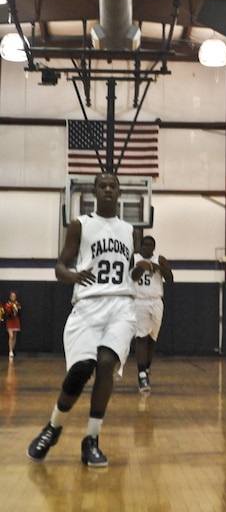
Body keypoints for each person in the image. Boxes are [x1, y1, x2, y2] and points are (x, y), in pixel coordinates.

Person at [27, 172, 137, 468]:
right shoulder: (81, 224)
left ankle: (91, 439)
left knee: (104, 364)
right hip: (87, 305)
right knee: (81, 370)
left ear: (119, 192)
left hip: (121, 306)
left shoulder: (129, 230)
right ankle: (53, 427)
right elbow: (60, 266)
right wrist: (72, 275)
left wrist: (147, 270)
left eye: (113, 186)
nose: (108, 190)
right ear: (94, 191)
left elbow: (129, 272)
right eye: (103, 185)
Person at [132, 235, 173, 393]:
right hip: (139, 301)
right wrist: (141, 268)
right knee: (141, 337)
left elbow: (170, 279)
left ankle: (147, 368)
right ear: (140, 246)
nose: (147, 247)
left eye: (150, 244)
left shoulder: (160, 259)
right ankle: (141, 374)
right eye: (145, 244)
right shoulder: (134, 258)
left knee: (152, 339)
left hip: (156, 301)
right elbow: (130, 278)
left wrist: (158, 268)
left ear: (154, 247)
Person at [4, 291, 21, 359]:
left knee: (14, 336)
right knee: (11, 336)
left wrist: (16, 307)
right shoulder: (7, 304)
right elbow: (7, 312)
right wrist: (10, 309)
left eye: (14, 296)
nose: (13, 297)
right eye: (12, 296)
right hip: (10, 321)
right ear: (10, 297)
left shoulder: (17, 304)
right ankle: (10, 350)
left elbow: (18, 311)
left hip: (16, 321)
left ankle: (12, 350)